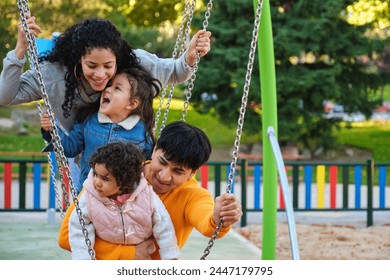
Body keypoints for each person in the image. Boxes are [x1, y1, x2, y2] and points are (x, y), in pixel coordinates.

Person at [58, 121, 243, 260]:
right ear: (154, 149)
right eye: (162, 162)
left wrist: (220, 218)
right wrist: (129, 253)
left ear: (192, 172)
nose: (164, 176)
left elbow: (208, 223)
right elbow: (66, 237)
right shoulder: (118, 173)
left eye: (177, 171)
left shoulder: (192, 195)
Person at [0, 15, 211, 134]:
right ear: (77, 59)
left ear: (117, 58)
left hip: (130, 153)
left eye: (108, 65)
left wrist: (190, 57)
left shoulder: (134, 64)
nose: (101, 74)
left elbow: (175, 71)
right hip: (86, 162)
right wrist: (19, 50)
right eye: (91, 65)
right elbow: (6, 95)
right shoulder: (52, 76)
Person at [40, 67, 160, 193]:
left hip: (123, 198)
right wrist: (52, 130)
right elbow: (70, 147)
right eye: (109, 85)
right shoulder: (90, 121)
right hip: (89, 193)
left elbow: (148, 163)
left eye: (117, 88)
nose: (107, 89)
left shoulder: (141, 132)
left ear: (132, 104)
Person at [70, 141, 179, 260]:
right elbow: (78, 228)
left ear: (125, 181)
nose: (96, 182)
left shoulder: (146, 196)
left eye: (105, 179)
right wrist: (83, 259)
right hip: (106, 259)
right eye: (95, 174)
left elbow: (164, 225)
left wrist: (170, 256)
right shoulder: (89, 198)